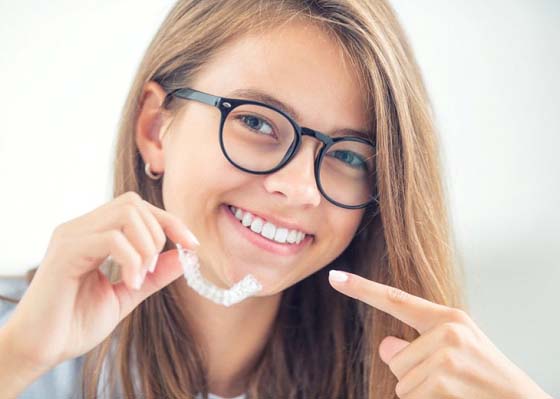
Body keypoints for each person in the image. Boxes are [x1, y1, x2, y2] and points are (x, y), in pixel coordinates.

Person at [0, 0, 552, 398]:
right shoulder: (21, 345)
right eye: (258, 122)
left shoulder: (416, 384)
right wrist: (17, 357)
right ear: (153, 127)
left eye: (350, 156)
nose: (299, 187)